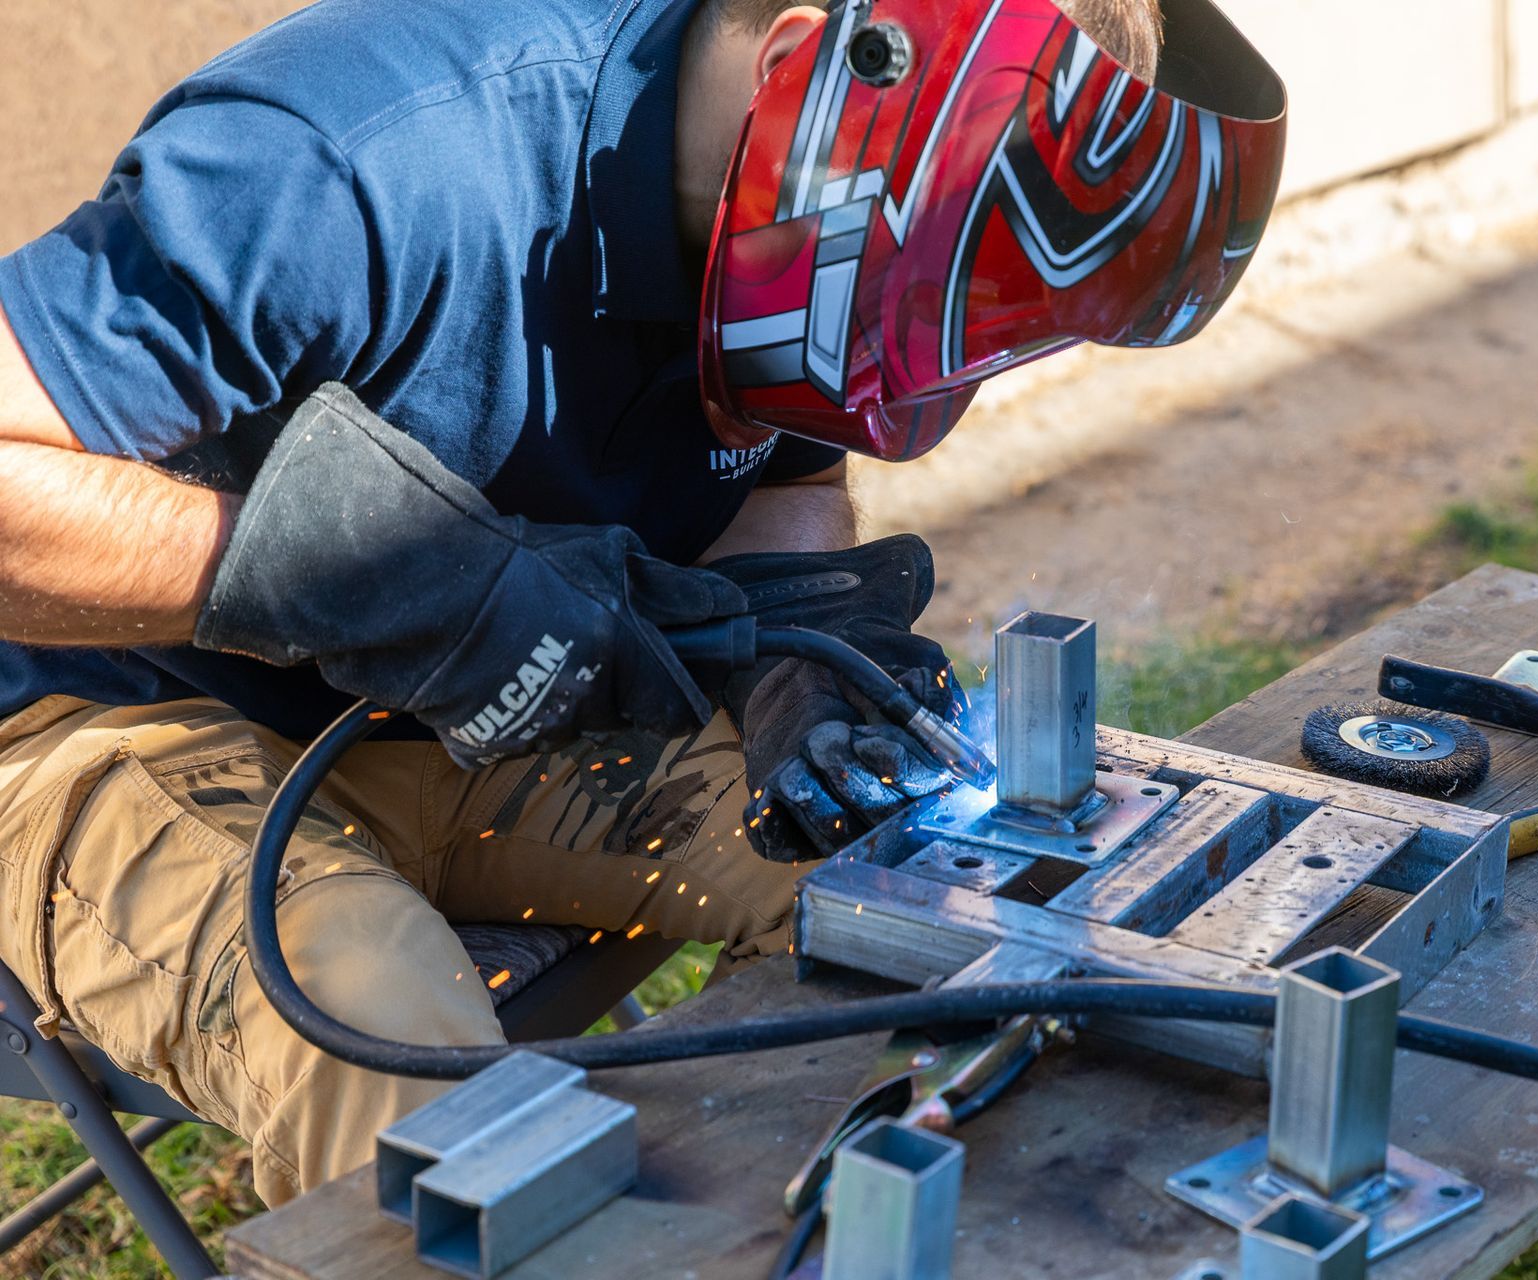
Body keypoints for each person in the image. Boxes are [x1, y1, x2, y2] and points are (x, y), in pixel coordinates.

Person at [0, 0, 1283, 1206]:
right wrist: (370, 578)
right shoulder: (361, 156)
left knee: (956, 886)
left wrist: (800, 659)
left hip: (484, 724)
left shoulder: (792, 216)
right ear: (815, 80)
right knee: (406, 1063)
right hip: (107, 721)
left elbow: (784, 483)